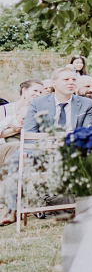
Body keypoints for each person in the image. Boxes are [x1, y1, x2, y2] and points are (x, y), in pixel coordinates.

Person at [0, 80, 48, 226]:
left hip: (23, 153)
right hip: (4, 148)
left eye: (41, 92)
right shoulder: (5, 109)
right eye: (35, 90)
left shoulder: (39, 111)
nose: (38, 94)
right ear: (24, 90)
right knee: (18, 147)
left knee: (22, 153)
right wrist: (15, 130)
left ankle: (13, 208)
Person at [24, 67, 92, 133]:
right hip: (45, 145)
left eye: (74, 80)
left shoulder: (87, 104)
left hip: (75, 145)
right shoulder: (38, 103)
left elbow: (88, 134)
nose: (71, 82)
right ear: (54, 83)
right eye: (66, 80)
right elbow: (29, 133)